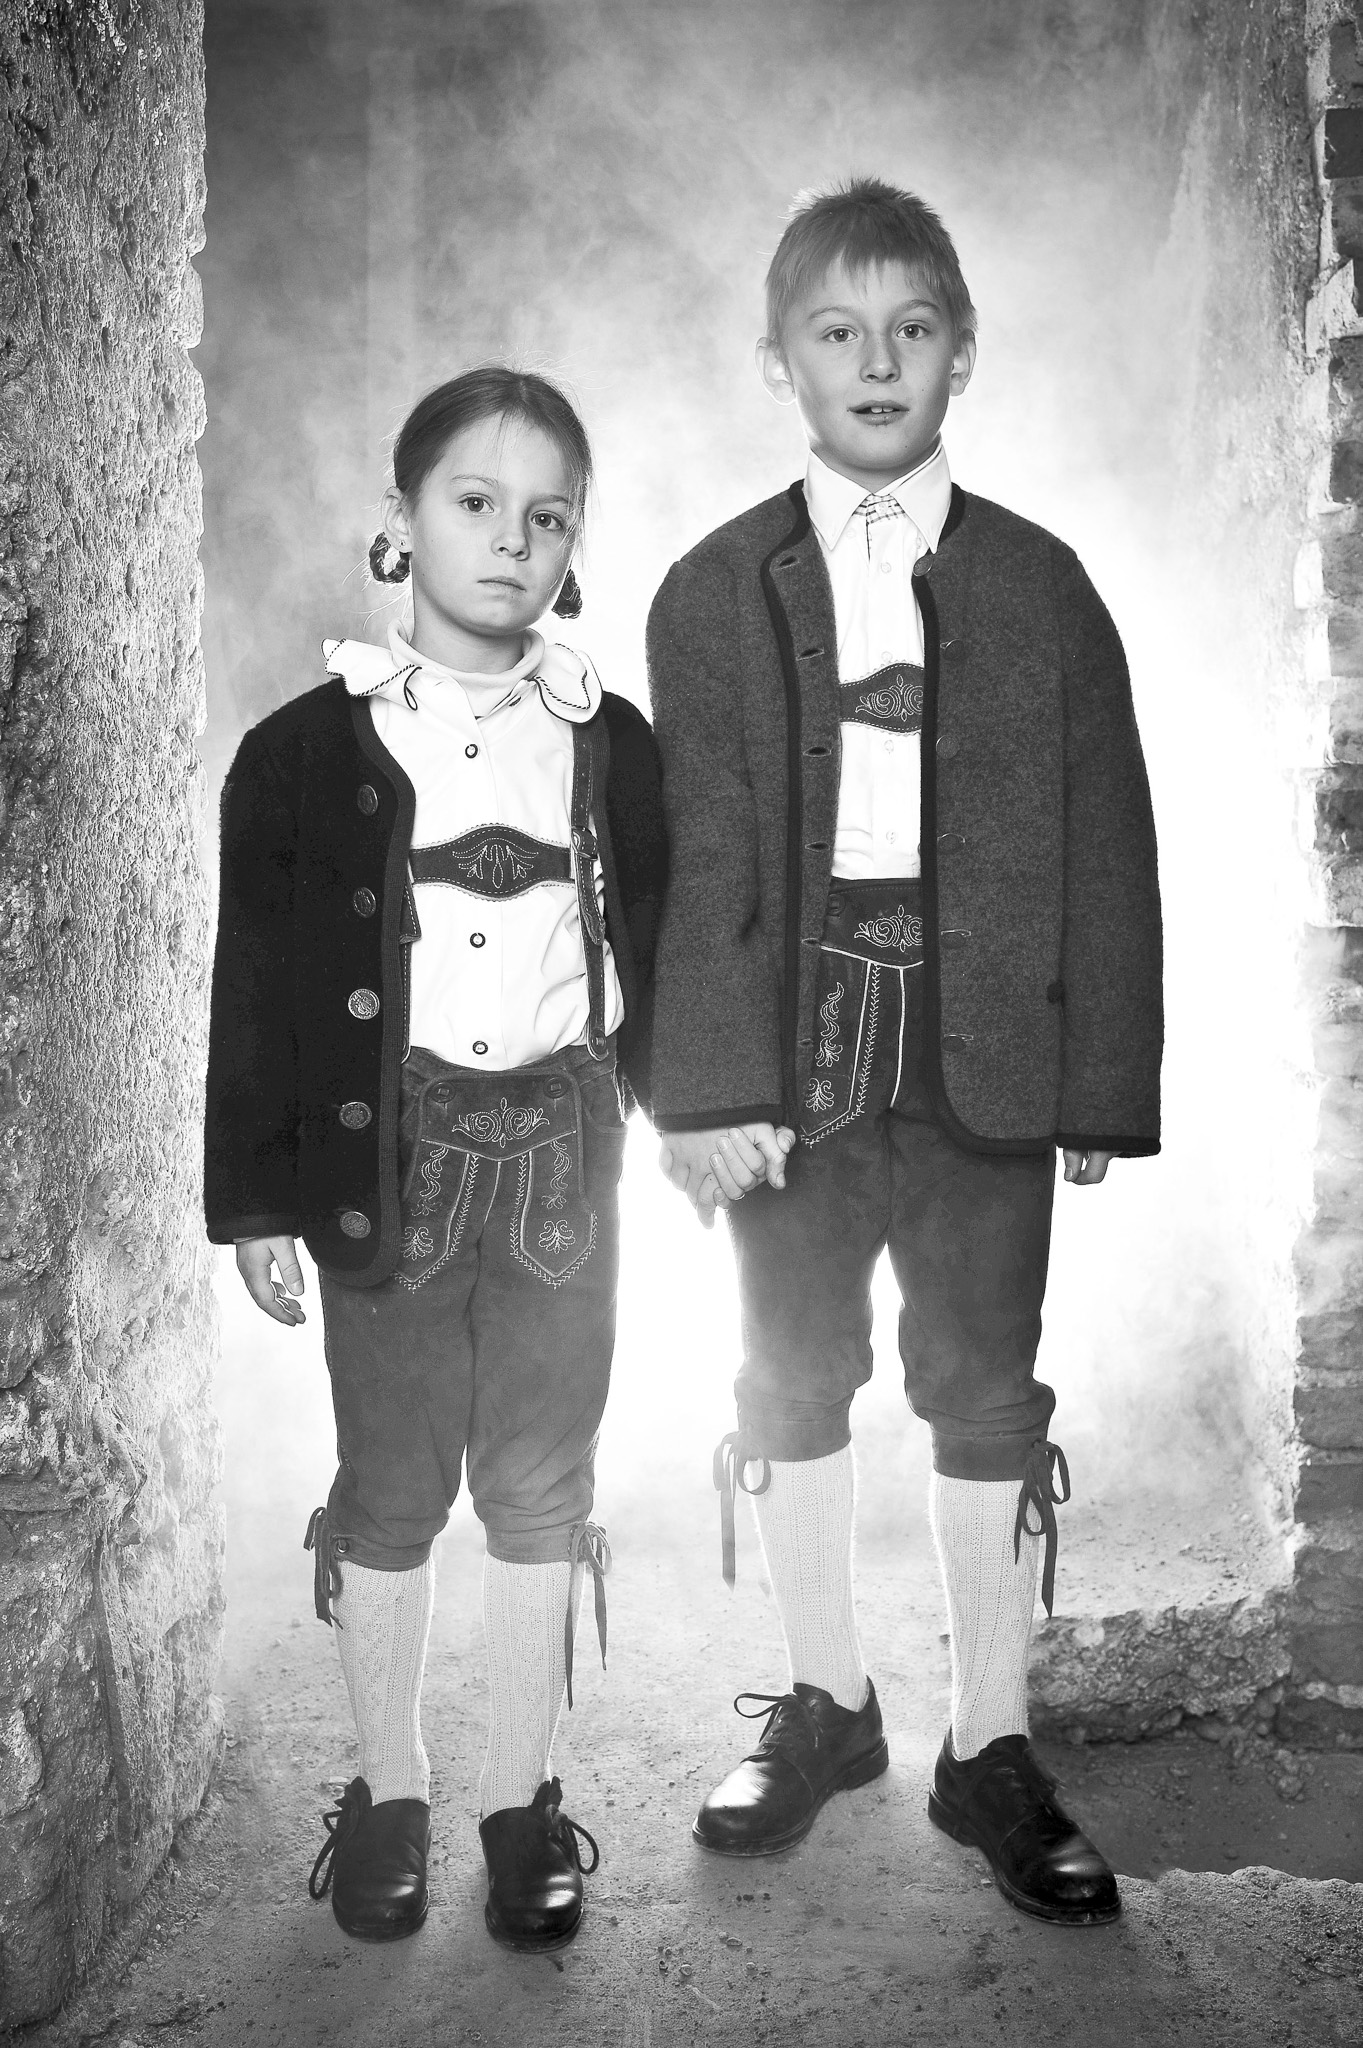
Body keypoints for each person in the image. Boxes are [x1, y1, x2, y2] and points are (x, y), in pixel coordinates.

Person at [647, 177, 1161, 1925]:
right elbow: (700, 862)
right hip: (788, 1068)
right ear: (776, 362)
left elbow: (1109, 838)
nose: (876, 362)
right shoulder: (710, 593)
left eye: (911, 328)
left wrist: (1100, 1078)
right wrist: (704, 1093)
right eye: (836, 331)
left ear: (964, 350)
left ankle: (986, 1745)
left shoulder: (1044, 585)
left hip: (986, 1050)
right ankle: (829, 1702)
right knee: (791, 1379)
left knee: (985, 1386)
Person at [204, 367, 666, 1953]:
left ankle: (519, 1803)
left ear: (574, 548)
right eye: (475, 503)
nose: (511, 540)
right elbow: (259, 990)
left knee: (540, 1484)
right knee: (394, 1482)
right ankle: (389, 1793)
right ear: (399, 521)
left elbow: (663, 947)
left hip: (566, 1164)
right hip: (383, 1167)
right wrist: (260, 1197)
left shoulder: (610, 746)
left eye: (548, 517)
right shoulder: (300, 751)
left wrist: (698, 1118)